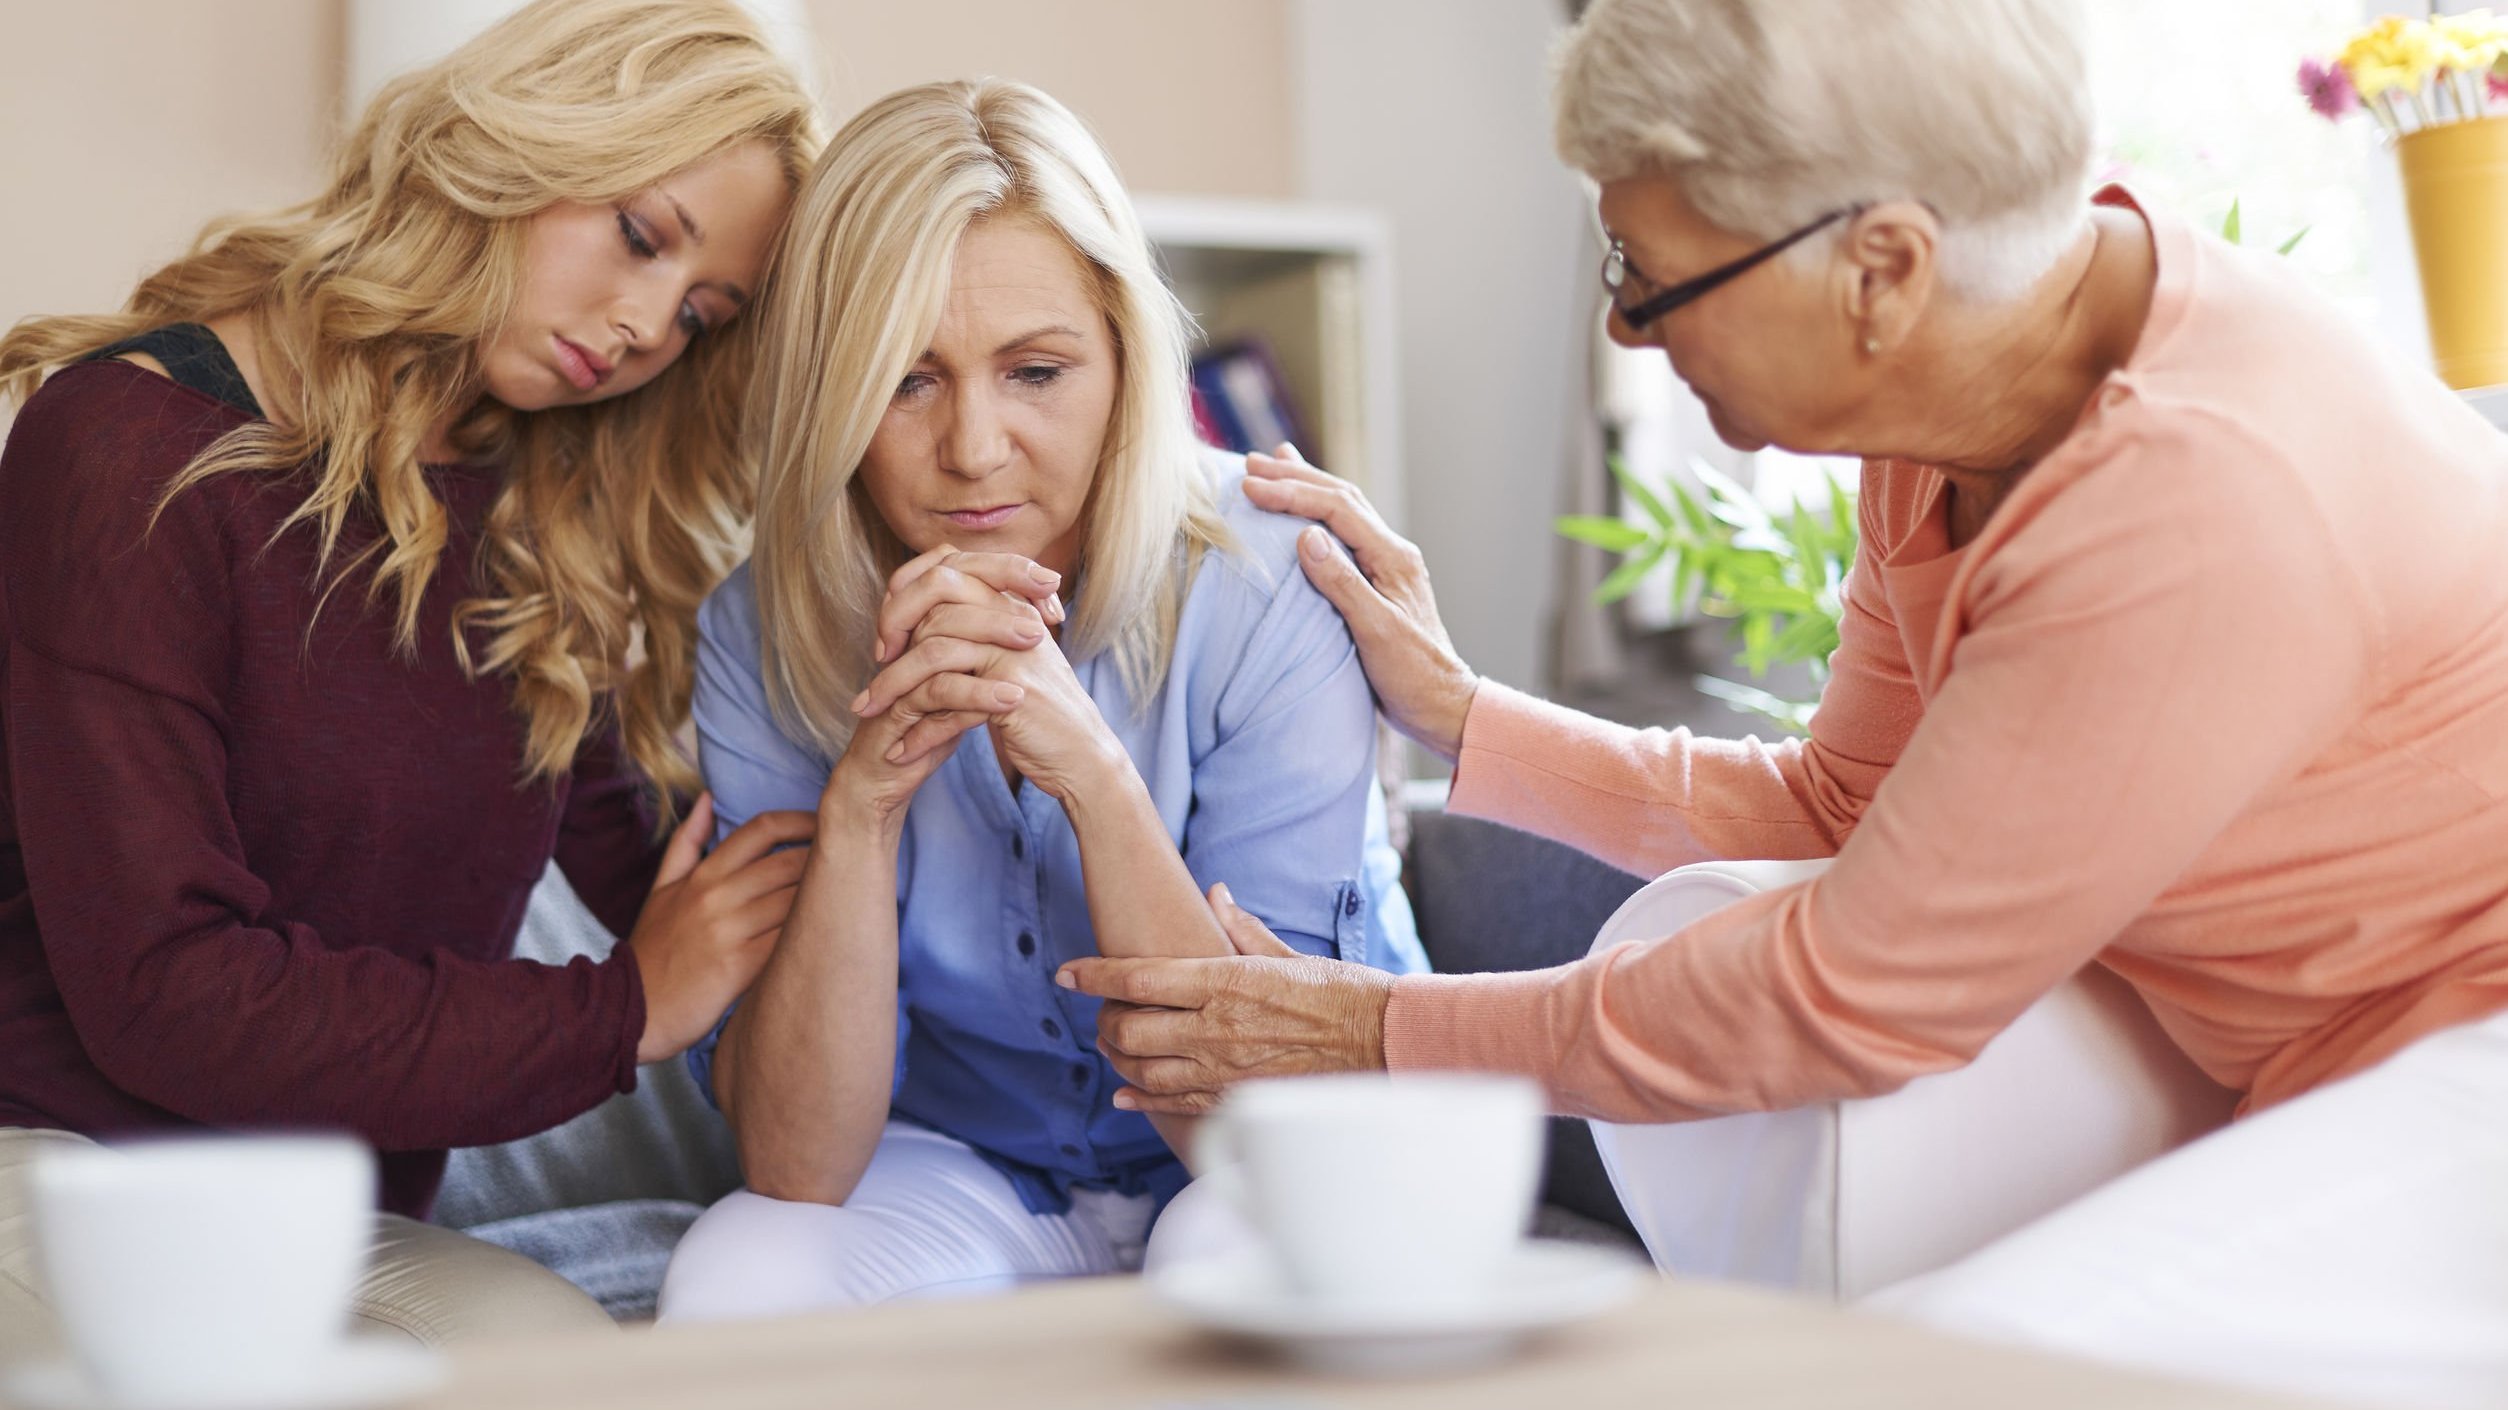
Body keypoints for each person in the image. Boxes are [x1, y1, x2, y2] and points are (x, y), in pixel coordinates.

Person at [1066, 1, 2508, 1404]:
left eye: (1650, 272)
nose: (1626, 328)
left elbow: (1844, 991)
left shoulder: (2196, 499)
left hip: (2473, 1060)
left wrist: (1372, 1027)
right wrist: (1461, 712)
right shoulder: (1961, 404)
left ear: (1881, 270)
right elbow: (1845, 808)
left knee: (1962, 1361)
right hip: (2305, 1048)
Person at [0, 0, 823, 1351]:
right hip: (57, 1168)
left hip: (330, 1215)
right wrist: (622, 1008)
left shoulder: (538, 516)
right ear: (523, 143)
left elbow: (675, 869)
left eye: (700, 311)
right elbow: (166, 992)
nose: (642, 327)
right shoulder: (123, 445)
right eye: (639, 236)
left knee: (568, 1366)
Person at [652, 78, 1424, 1321]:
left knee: (1249, 1262)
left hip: (1273, 1155)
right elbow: (796, 1165)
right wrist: (863, 807)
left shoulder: (1277, 579)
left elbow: (1268, 1138)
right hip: (973, 1166)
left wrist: (1095, 777)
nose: (972, 447)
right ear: (832, 389)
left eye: (1035, 370)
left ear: (1124, 358)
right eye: (907, 381)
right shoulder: (762, 621)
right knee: (741, 1273)